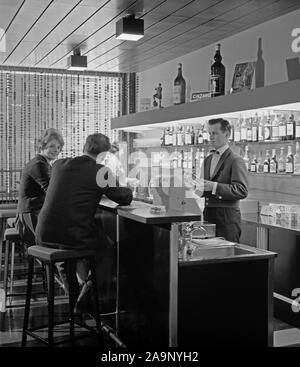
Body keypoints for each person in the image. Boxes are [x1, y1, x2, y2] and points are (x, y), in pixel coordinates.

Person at [35, 133, 133, 313]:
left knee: (67, 257)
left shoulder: (58, 164)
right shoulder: (101, 171)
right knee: (110, 250)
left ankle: (75, 300)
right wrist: (127, 186)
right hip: (71, 236)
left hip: (43, 234)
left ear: (84, 148)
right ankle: (85, 294)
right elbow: (123, 197)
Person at [196, 118, 248, 243]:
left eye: (215, 133)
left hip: (227, 219)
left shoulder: (236, 160)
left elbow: (241, 190)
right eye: (209, 133)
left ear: (227, 134)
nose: (211, 137)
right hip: (208, 216)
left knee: (227, 257)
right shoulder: (207, 159)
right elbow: (202, 190)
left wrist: (214, 186)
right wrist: (196, 187)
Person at [16, 128, 64, 246]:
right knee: (65, 239)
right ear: (42, 145)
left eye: (58, 147)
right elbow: (51, 191)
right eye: (52, 146)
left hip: (34, 212)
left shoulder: (43, 163)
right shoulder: (39, 164)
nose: (56, 150)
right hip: (30, 215)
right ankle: (56, 262)